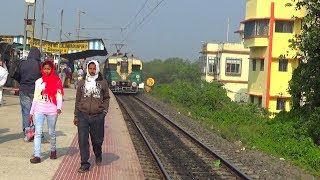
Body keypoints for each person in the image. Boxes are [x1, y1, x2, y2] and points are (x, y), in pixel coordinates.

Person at [73, 60, 110, 173]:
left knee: (97, 140)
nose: (92, 71)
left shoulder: (103, 82)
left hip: (97, 116)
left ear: (97, 69)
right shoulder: (82, 82)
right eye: (90, 68)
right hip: (83, 115)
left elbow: (107, 98)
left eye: (94, 69)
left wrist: (104, 112)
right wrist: (76, 115)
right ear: (87, 69)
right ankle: (85, 163)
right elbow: (78, 99)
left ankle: (98, 154)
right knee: (82, 140)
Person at [29, 59, 64, 163]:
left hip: (52, 110)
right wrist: (31, 112)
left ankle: (53, 151)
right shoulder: (38, 82)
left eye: (48, 69)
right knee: (38, 132)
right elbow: (35, 97)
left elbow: (59, 95)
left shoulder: (57, 80)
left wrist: (59, 107)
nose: (46, 71)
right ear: (42, 69)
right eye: (44, 69)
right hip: (39, 109)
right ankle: (37, 155)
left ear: (52, 69)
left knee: (51, 132)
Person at [19, 47, 42, 141]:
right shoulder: (39, 65)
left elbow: (18, 75)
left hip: (23, 90)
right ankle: (37, 134)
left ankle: (27, 135)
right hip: (36, 91)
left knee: (26, 113)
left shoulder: (22, 63)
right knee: (37, 113)